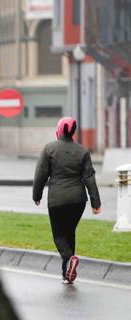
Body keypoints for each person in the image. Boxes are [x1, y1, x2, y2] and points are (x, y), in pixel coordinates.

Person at [33, 116, 101, 284]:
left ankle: (69, 259)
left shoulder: (49, 148)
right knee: (69, 233)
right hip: (78, 201)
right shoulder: (83, 151)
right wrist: (96, 203)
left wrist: (37, 195)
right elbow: (89, 178)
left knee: (58, 236)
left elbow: (40, 175)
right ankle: (67, 275)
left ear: (59, 130)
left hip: (57, 200)